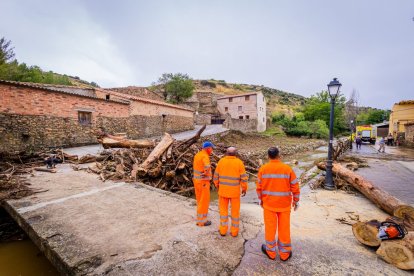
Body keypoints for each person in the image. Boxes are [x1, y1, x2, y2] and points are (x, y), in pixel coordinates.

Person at [256, 147, 300, 261]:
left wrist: (261, 200)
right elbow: (295, 186)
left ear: (268, 156)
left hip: (269, 204)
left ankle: (270, 252)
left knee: (270, 228)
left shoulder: (263, 169)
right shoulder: (287, 169)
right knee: (284, 229)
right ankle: (284, 254)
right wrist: (296, 200)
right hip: (284, 205)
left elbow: (259, 188)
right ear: (279, 155)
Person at [213, 147, 248, 237]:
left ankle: (223, 231)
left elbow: (215, 177)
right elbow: (244, 178)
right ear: (235, 154)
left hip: (223, 191)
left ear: (226, 153)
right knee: (235, 212)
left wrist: (217, 186)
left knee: (223, 212)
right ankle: (234, 232)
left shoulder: (221, 161)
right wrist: (244, 189)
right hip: (235, 193)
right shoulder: (239, 163)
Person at [193, 141, 214, 226]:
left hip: (197, 181)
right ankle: (202, 221)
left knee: (199, 200)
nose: (212, 150)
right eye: (211, 148)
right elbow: (207, 166)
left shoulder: (198, 155)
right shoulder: (205, 156)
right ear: (208, 148)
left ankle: (199, 216)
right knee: (204, 201)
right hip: (203, 182)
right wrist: (206, 172)